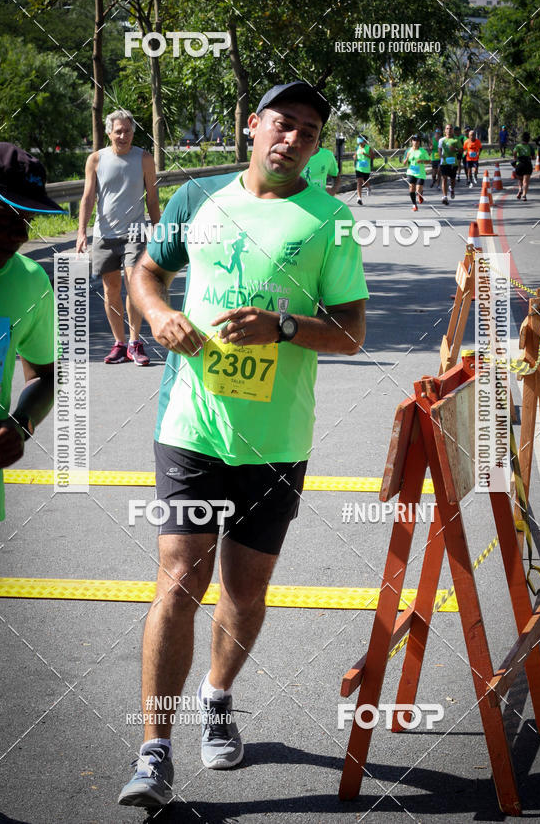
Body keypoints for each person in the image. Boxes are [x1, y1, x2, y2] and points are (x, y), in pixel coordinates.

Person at [117, 81, 368, 808]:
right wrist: (157, 314)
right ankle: (154, 750)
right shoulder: (198, 199)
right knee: (178, 580)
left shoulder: (331, 219)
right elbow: (146, 271)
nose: (293, 139)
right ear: (253, 126)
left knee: (245, 590)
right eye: (283, 124)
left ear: (317, 148)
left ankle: (218, 695)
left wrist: (283, 327)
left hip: (275, 440)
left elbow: (352, 332)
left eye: (309, 132)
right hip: (190, 427)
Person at [0, 143, 64, 580]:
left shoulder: (31, 283)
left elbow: (46, 376)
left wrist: (20, 426)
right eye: (6, 214)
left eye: (27, 219)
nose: (20, 234)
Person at [76, 109, 160, 366]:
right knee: (110, 290)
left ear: (133, 132)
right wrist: (81, 232)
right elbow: (88, 197)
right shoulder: (96, 160)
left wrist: (158, 229)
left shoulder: (144, 159)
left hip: (135, 232)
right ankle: (119, 343)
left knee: (134, 285)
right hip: (104, 235)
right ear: (109, 133)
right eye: (118, 131)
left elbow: (152, 198)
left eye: (128, 131)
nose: (123, 136)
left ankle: (135, 342)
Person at [402, 134, 429, 211]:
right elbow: (404, 163)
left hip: (420, 173)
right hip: (411, 172)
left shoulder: (423, 151)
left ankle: (420, 194)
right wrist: (407, 158)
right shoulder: (408, 151)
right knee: (411, 188)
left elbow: (429, 161)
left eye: (417, 140)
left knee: (418, 190)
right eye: (414, 140)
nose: (415, 142)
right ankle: (414, 205)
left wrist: (422, 161)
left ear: (419, 142)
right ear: (411, 141)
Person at [438, 124, 460, 205]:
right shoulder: (441, 140)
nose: (449, 130)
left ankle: (452, 188)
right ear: (445, 130)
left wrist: (455, 149)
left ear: (452, 130)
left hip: (453, 163)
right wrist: (441, 156)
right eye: (447, 128)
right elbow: (439, 149)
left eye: (450, 128)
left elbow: (461, 150)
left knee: (452, 180)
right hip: (444, 162)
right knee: (444, 178)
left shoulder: (456, 139)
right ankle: (445, 196)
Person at [512, 131, 535, 201]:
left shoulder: (518, 146)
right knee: (526, 181)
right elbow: (533, 157)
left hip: (520, 164)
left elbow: (514, 152)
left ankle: (520, 189)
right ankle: (524, 195)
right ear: (528, 139)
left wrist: (515, 159)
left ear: (522, 138)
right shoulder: (530, 147)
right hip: (527, 164)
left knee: (520, 179)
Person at [353, 136, 375, 205]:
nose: (359, 142)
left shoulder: (368, 148)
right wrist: (354, 158)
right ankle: (359, 198)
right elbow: (355, 156)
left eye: (361, 140)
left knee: (365, 182)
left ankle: (368, 187)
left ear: (364, 141)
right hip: (358, 168)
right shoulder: (357, 148)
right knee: (359, 182)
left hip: (366, 169)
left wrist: (365, 154)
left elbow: (373, 157)